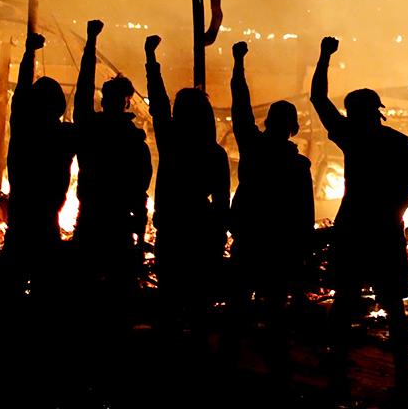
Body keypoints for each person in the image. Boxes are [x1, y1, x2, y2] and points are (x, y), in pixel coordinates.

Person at [309, 36, 408, 398]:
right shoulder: (402, 143)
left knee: (344, 299)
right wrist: (393, 221)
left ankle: (337, 368)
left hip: (354, 228)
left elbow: (318, 99)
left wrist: (324, 58)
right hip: (386, 231)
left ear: (355, 114)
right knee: (393, 304)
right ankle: (403, 368)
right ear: (378, 110)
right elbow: (407, 192)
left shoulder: (351, 136)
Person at [224, 40, 314, 382]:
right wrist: (303, 250)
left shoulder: (254, 146)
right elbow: (304, 214)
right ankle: (276, 370)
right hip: (280, 246)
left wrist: (238, 63)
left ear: (268, 123)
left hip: (250, 240)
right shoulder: (297, 166)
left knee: (239, 304)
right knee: (275, 309)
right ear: (293, 128)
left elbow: (240, 105)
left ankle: (230, 364)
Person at [145, 34, 229, 348]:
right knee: (198, 306)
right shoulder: (215, 153)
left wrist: (152, 61)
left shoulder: (171, 143)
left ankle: (168, 353)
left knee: (168, 300)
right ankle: (197, 356)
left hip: (173, 230)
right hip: (202, 233)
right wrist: (219, 236)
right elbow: (222, 201)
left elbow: (158, 104)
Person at [72, 19, 153, 306]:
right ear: (128, 102)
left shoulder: (89, 127)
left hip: (91, 218)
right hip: (119, 223)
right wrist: (140, 229)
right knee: (120, 295)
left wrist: (91, 41)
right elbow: (141, 189)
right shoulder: (134, 141)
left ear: (103, 99)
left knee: (83, 291)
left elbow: (82, 92)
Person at [5, 30, 75, 296]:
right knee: (47, 289)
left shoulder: (23, 128)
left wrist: (29, 52)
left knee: (12, 284)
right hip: (46, 223)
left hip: (20, 218)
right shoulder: (64, 135)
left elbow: (21, 93)